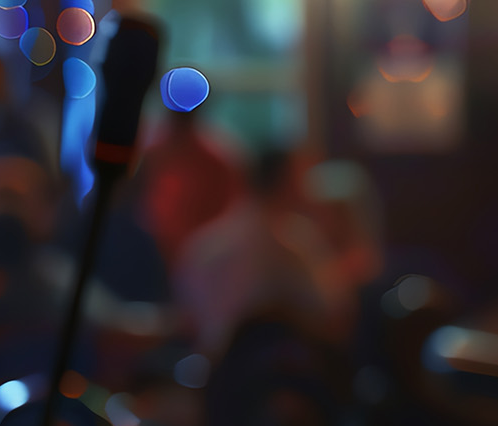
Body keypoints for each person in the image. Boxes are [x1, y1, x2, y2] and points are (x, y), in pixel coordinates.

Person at [174, 147, 353, 359]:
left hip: (213, 374)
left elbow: (187, 317)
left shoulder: (202, 244)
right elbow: (332, 311)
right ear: (286, 183)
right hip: (276, 378)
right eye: (302, 179)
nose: (309, 189)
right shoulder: (290, 241)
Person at [130, 105, 243, 269]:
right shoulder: (150, 153)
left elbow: (231, 216)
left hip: (196, 262)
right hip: (147, 256)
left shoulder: (220, 161)